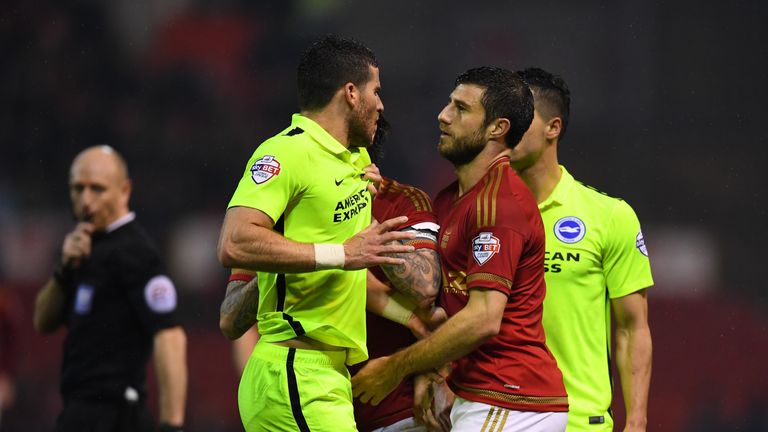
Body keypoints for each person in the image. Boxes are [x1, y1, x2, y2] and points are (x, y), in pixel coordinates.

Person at [216, 35, 415, 432]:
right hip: (293, 371)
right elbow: (233, 242)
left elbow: (346, 279)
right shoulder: (284, 154)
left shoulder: (356, 162)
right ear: (351, 93)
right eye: (376, 91)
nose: (381, 104)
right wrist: (342, 253)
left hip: (326, 374)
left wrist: (410, 318)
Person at [352, 67, 568, 431]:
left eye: (461, 109)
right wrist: (434, 373)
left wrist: (396, 367)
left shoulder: (500, 203)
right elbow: (444, 304)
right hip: (480, 394)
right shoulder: (450, 199)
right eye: (448, 104)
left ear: (497, 129)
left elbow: (483, 318)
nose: (443, 115)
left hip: (511, 397)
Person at [512, 67, 653, 431]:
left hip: (577, 420)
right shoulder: (482, 213)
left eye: (519, 117)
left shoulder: (609, 216)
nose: (505, 127)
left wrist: (636, 421)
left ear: (552, 128)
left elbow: (631, 329)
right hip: (496, 415)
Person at [33, 145, 187, 432]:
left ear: (124, 190)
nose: (86, 200)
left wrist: (172, 425)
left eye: (98, 189)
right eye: (78, 188)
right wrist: (63, 271)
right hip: (79, 410)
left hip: (116, 413)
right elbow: (43, 322)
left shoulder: (137, 253)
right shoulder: (82, 249)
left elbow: (170, 335)